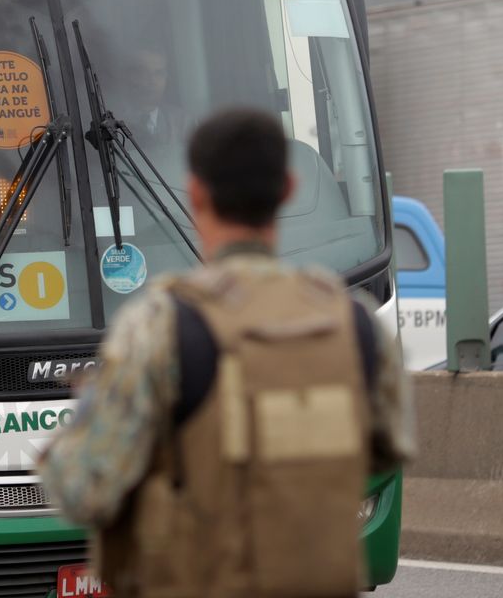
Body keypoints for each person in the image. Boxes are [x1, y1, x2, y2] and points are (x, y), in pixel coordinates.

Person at [38, 108, 413, 598]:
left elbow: (81, 486)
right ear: (287, 190)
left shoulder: (159, 327)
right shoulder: (356, 323)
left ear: (194, 195)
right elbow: (386, 449)